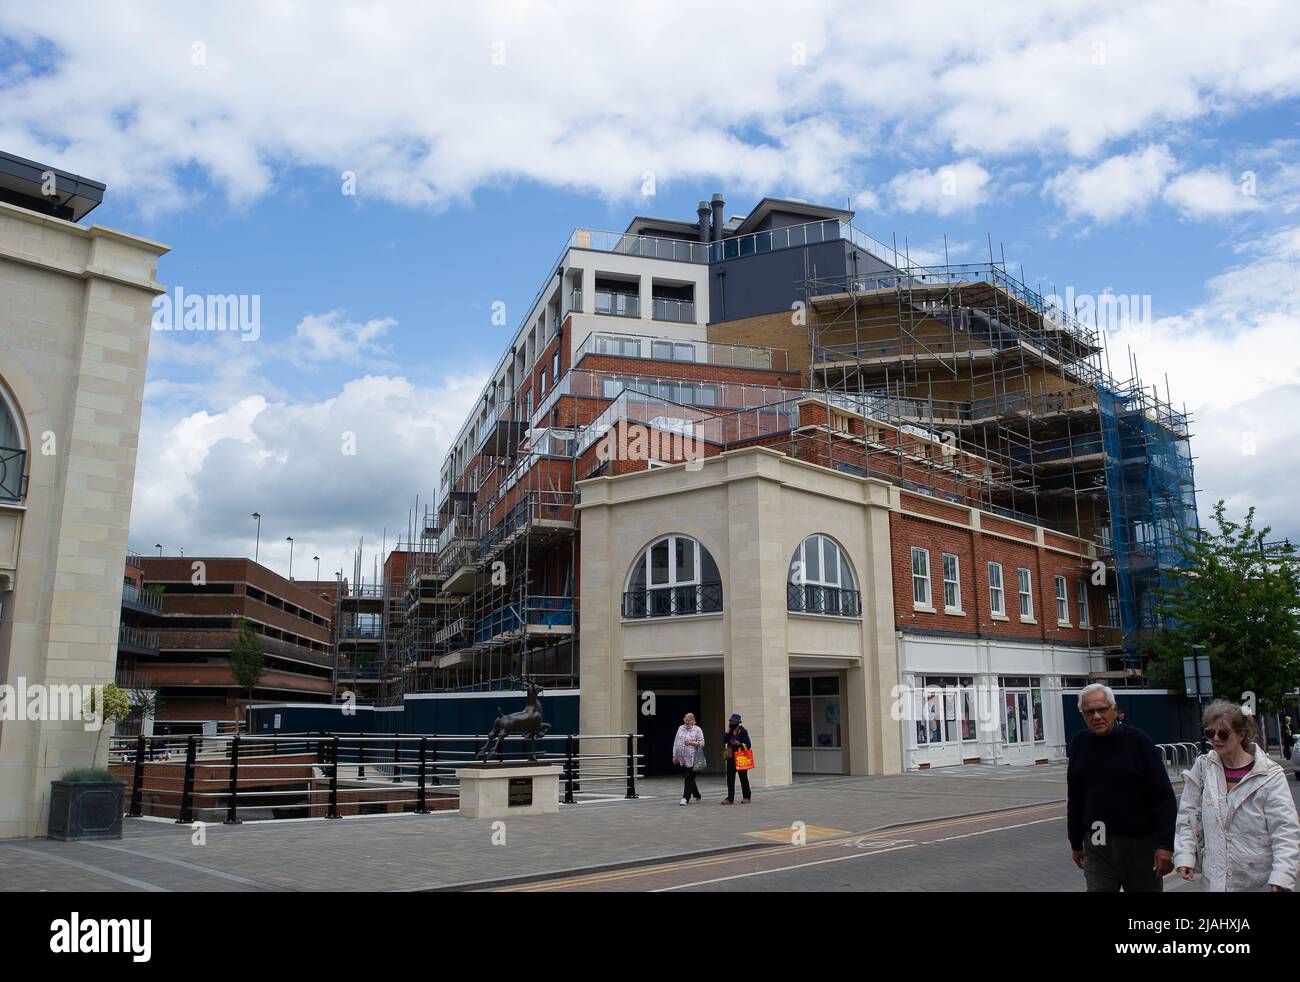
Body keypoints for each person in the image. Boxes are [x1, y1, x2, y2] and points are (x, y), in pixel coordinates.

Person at [1173, 700, 1299, 892]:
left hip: (1258, 883)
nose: (1215, 738)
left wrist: (1282, 876)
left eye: (1223, 734)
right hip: (1214, 882)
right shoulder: (1203, 767)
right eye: (1210, 733)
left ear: (1241, 734)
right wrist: (1185, 856)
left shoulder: (1269, 775)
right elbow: (1188, 816)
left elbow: (1285, 830)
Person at [1067, 683, 1177, 891]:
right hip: (1097, 843)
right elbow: (1076, 797)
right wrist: (1075, 842)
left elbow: (1163, 797)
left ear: (1114, 710)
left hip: (1140, 844)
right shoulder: (1080, 744)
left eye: (1102, 709)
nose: (1097, 716)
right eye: (1090, 712)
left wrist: (1165, 845)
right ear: (1083, 716)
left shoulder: (1139, 742)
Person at [672, 712, 704, 806]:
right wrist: (674, 755)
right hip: (682, 757)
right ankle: (697, 794)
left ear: (693, 720)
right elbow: (676, 742)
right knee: (689, 778)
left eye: (689, 720)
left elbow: (702, 743)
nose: (687, 721)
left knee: (688, 778)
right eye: (686, 719)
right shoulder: (680, 728)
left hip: (693, 758)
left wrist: (691, 743)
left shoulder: (697, 729)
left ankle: (685, 798)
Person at [721, 713, 752, 805]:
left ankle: (747, 797)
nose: (731, 723)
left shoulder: (743, 731)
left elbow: (748, 744)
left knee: (743, 778)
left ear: (738, 723)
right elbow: (724, 740)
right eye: (730, 721)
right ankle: (730, 798)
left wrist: (739, 743)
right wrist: (727, 731)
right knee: (730, 779)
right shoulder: (729, 731)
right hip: (731, 758)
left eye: (733, 721)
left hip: (741, 757)